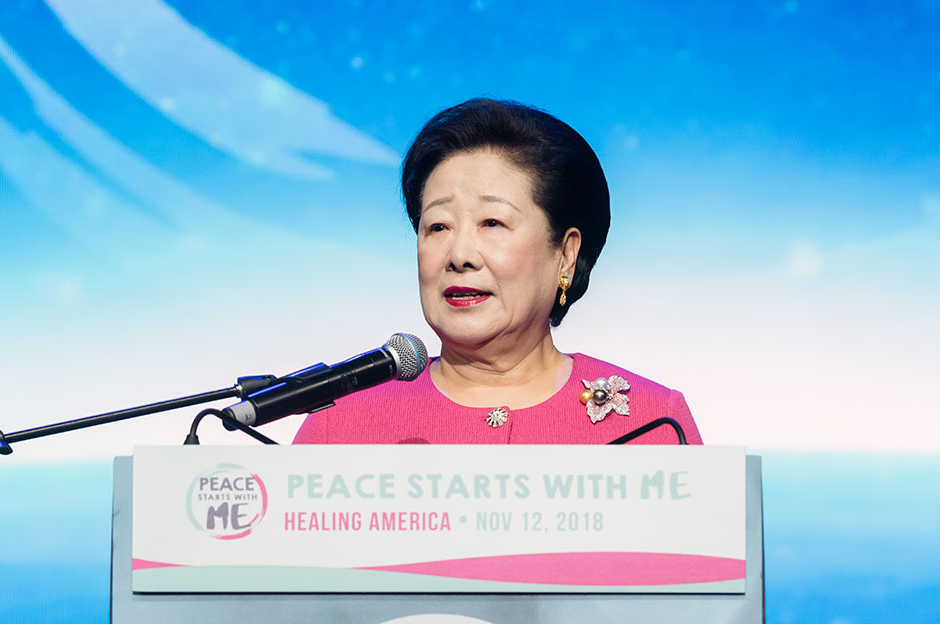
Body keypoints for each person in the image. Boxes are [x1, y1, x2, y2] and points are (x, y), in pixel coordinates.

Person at [294, 98, 702, 445]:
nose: (459, 255)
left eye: (492, 223)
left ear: (565, 254)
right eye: (438, 227)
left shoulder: (654, 423)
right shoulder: (338, 426)